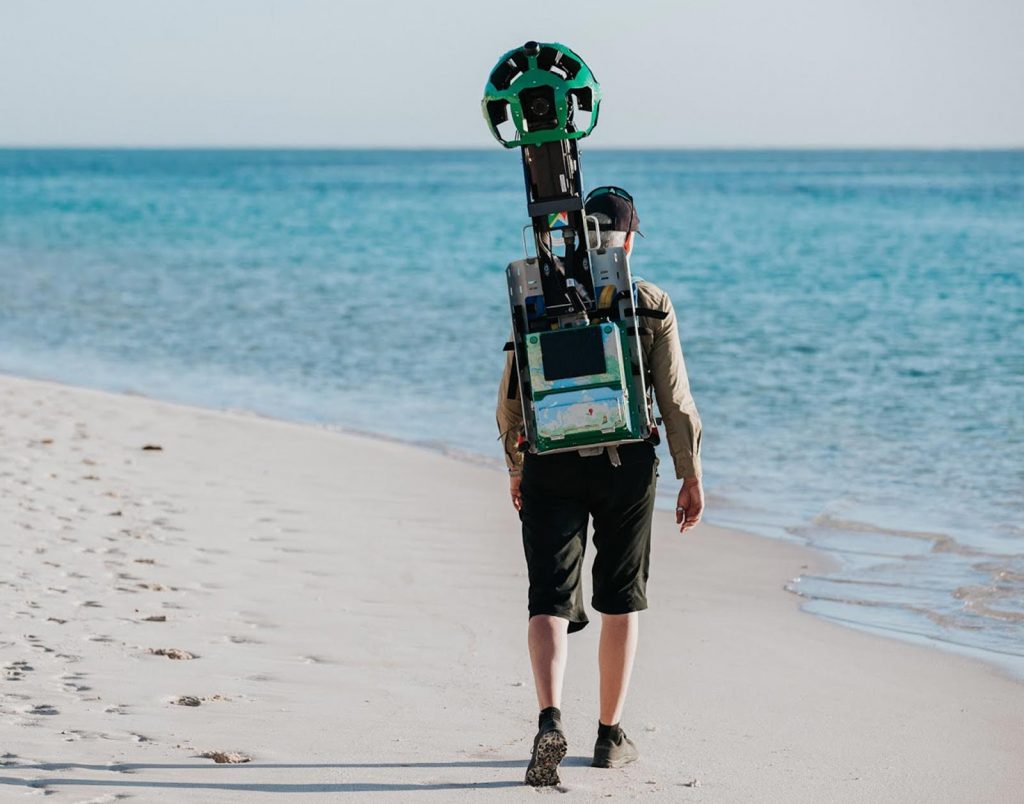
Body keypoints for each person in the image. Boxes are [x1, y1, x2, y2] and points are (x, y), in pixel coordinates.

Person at [496, 186, 704, 787]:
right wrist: (690, 473)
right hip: (626, 465)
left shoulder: (536, 293)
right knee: (621, 597)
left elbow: (512, 396)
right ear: (628, 241)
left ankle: (549, 718)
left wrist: (516, 466)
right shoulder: (649, 302)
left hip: (550, 461)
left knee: (549, 597)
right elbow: (674, 397)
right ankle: (610, 736)